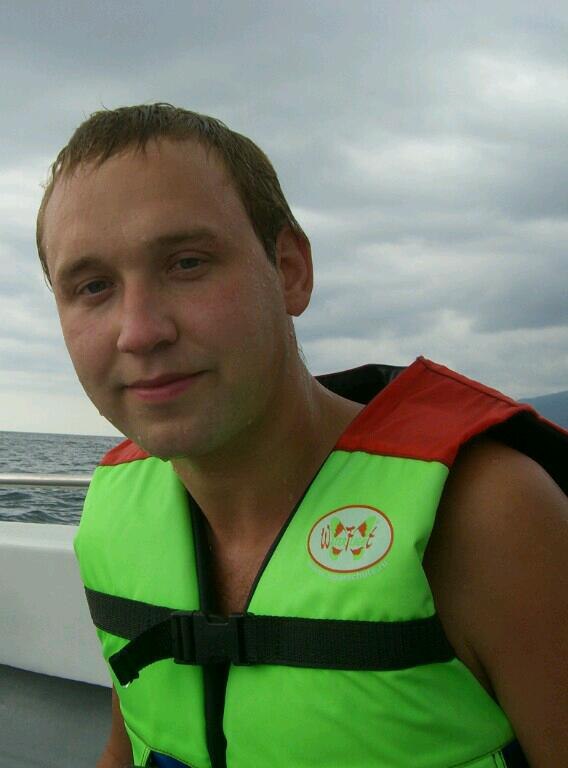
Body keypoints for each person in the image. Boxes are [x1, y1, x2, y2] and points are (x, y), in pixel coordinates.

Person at [37, 104, 567, 768]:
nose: (140, 331)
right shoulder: (118, 516)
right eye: (93, 286)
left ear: (289, 268)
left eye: (187, 263)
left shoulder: (488, 517)